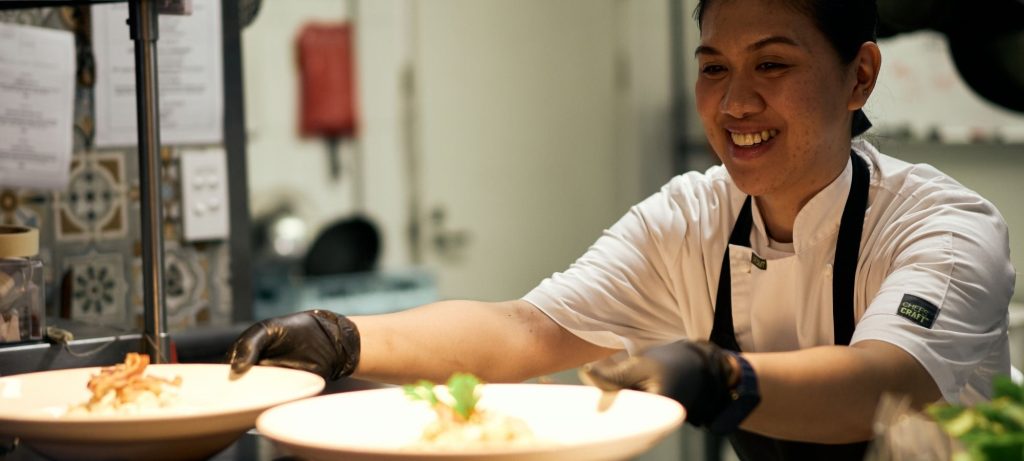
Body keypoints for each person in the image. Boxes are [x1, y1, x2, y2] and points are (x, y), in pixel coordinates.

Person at [228, 0, 1015, 459]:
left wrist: (724, 377)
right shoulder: (692, 215)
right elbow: (527, 330)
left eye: (772, 65)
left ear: (861, 76)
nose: (735, 103)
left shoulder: (941, 226)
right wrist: (340, 337)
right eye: (713, 67)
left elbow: (884, 384)